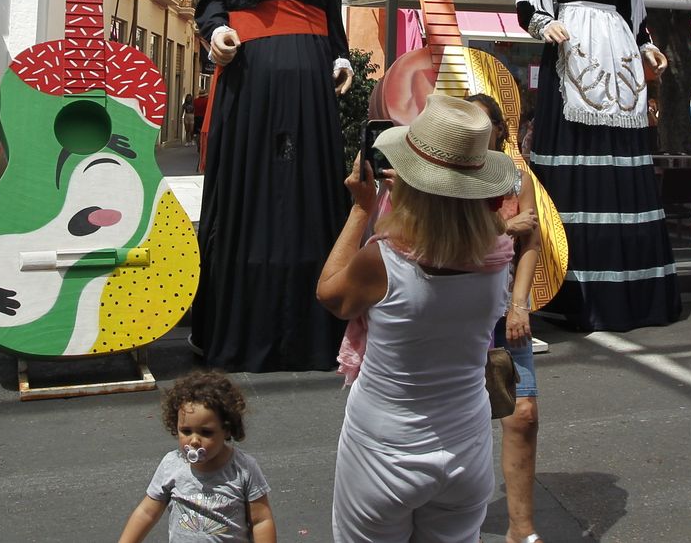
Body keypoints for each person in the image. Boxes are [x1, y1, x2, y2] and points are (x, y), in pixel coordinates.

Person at [193, 0, 354, 372]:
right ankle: (240, 328)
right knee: (248, 187)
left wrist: (339, 53)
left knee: (311, 189)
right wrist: (217, 32)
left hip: (311, 69)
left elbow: (329, 0)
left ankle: (315, 327)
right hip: (250, 68)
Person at [319, 94, 515, 543]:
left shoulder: (383, 262)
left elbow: (331, 295)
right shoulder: (499, 257)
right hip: (467, 444)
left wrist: (363, 209)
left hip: (384, 450)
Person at [515, 0, 680, 331]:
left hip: (620, 53)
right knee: (577, 158)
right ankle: (572, 291)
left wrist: (646, 45)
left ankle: (632, 289)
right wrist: (544, 24)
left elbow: (634, 7)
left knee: (623, 159)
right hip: (574, 48)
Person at [466, 93, 542, 543]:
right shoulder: (444, 176)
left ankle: (522, 529)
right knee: (458, 417)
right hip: (454, 310)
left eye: (484, 120)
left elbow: (530, 245)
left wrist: (519, 304)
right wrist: (501, 227)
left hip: (504, 309)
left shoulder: (517, 178)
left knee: (523, 413)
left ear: (499, 128)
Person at [117, 370, 275, 543]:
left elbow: (261, 520)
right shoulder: (172, 464)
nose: (194, 441)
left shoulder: (243, 469)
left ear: (227, 429)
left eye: (206, 433)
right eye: (186, 431)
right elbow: (147, 512)